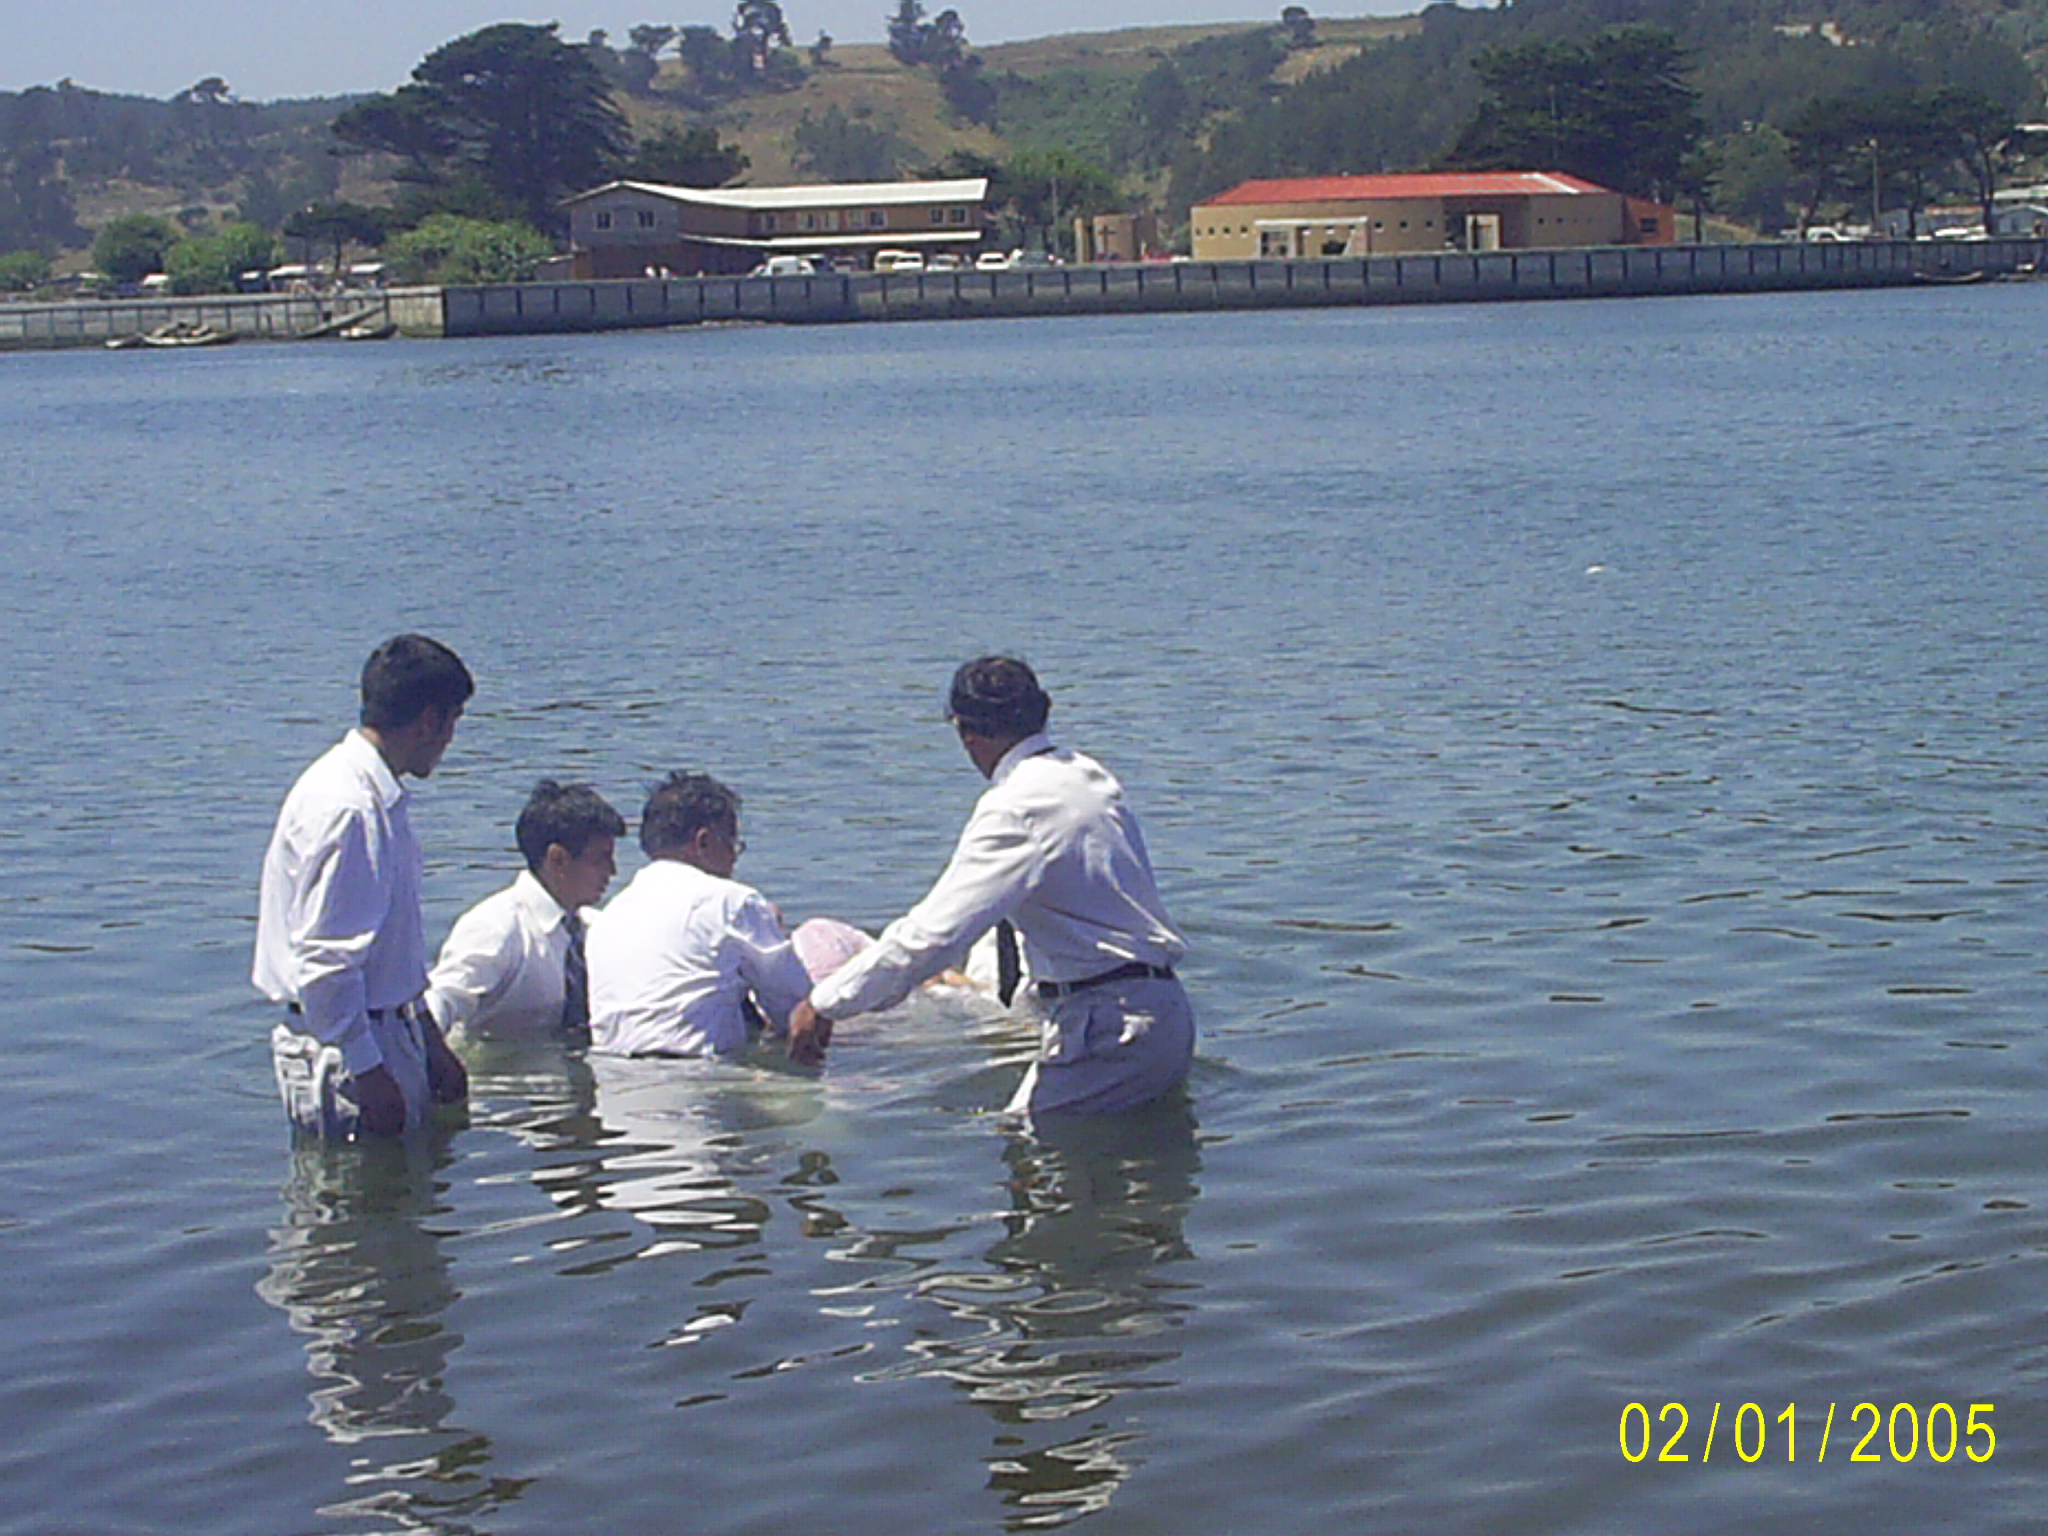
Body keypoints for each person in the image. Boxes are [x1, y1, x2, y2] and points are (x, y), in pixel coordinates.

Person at [789, 656, 1194, 1116]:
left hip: (1108, 1023)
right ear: (1043, 710)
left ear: (966, 733)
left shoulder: (1015, 807)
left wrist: (825, 1004)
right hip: (1161, 1012)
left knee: (1028, 1145)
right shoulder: (1089, 776)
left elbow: (932, 936)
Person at [253, 634, 474, 1138]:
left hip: (384, 1029)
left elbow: (391, 948)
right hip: (348, 1047)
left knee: (404, 1183)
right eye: (454, 721)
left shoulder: (379, 798)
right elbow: (325, 960)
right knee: (358, 1184)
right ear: (429, 722)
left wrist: (428, 1037)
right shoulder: (349, 808)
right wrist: (368, 1070)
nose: (451, 739)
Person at [586, 771, 813, 1058]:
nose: (734, 858)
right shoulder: (731, 901)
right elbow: (796, 1010)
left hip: (609, 1075)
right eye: (732, 844)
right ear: (703, 842)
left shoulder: (610, 914)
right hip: (696, 1076)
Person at [425, 780, 625, 1043]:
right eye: (600, 859)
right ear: (558, 859)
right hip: (496, 1066)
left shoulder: (596, 928)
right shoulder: (497, 927)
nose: (612, 871)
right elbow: (441, 1002)